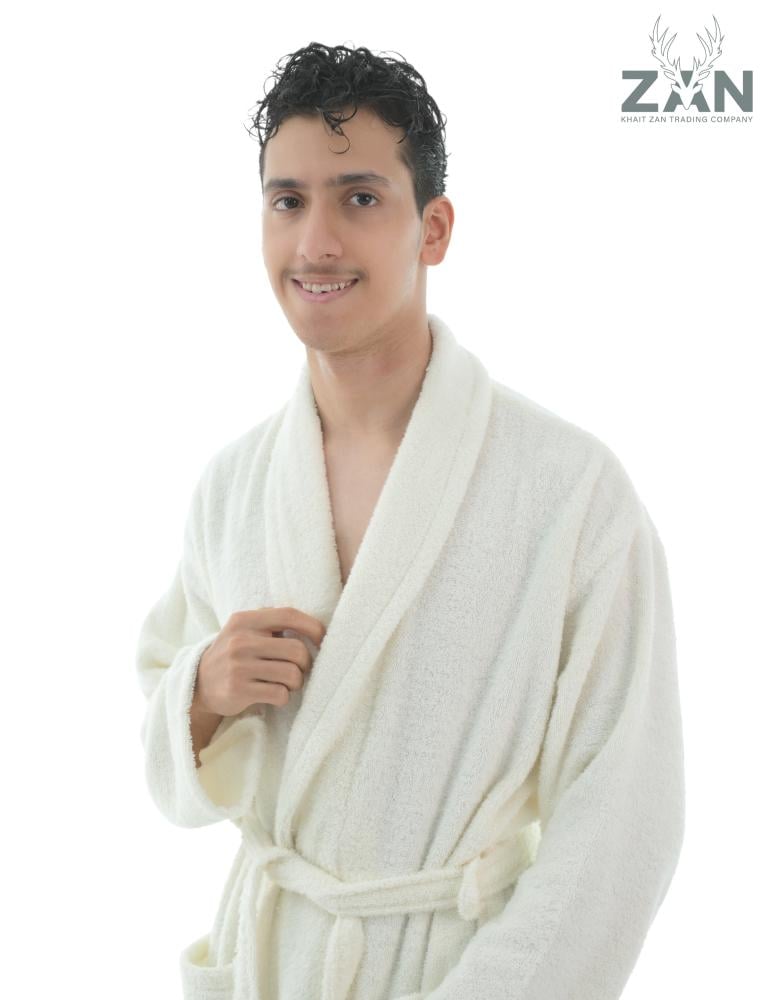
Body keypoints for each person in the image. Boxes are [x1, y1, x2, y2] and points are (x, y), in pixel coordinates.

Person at [135, 41, 685, 1000]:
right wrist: (201, 694)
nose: (315, 243)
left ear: (433, 229)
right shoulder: (232, 487)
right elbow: (165, 743)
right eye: (287, 201)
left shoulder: (570, 492)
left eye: (359, 198)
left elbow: (624, 817)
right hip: (270, 966)